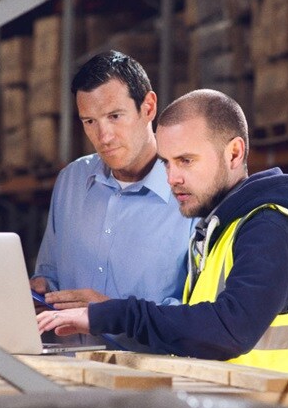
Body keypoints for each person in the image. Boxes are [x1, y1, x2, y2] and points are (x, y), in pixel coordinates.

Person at [37, 89, 288, 398]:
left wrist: (111, 313)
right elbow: (194, 332)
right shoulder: (220, 230)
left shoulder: (272, 226)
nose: (171, 178)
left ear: (234, 153)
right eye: (166, 163)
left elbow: (228, 330)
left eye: (186, 161)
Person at [30, 51, 194, 351]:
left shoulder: (191, 193)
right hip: (70, 376)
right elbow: (49, 275)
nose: (103, 136)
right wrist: (41, 292)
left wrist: (112, 313)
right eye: (89, 121)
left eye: (114, 117)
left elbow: (199, 317)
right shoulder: (71, 181)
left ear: (148, 107)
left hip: (154, 384)